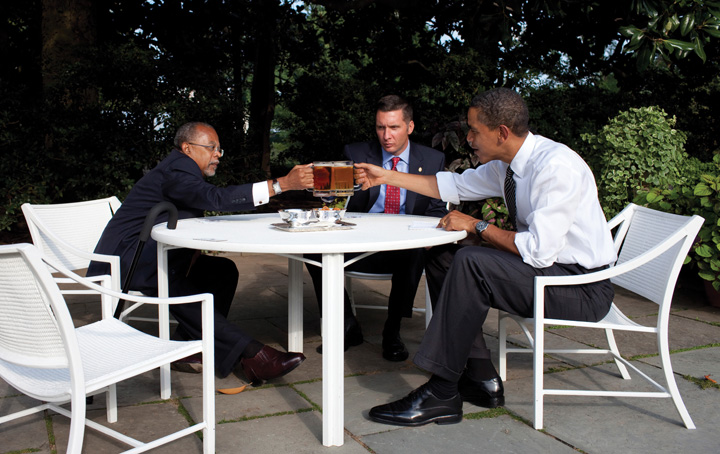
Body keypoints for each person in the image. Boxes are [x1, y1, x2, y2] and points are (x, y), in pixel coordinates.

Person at [353, 88, 617, 426]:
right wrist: (386, 175)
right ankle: (480, 377)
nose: (469, 137)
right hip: (551, 273)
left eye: (474, 130)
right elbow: (454, 186)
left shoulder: (555, 167)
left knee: (470, 261)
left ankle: (442, 390)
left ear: (501, 133)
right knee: (444, 255)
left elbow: (538, 250)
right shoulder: (509, 164)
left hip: (580, 288)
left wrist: (477, 225)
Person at [88, 122, 314, 385]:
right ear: (187, 148)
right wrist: (282, 184)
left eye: (219, 149)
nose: (218, 154)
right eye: (211, 148)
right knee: (175, 284)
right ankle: (253, 355)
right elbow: (214, 198)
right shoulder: (178, 168)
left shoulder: (182, 171)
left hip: (152, 254)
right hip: (131, 262)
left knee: (222, 271)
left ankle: (188, 346)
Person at [306, 95, 447, 361]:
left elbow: (438, 211)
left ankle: (392, 331)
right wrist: (327, 191)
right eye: (381, 127)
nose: (386, 135)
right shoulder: (357, 154)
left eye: (393, 127)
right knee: (312, 251)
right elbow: (339, 199)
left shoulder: (432, 160)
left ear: (410, 127)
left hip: (404, 246)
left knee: (416, 252)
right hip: (361, 242)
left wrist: (426, 237)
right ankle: (346, 324)